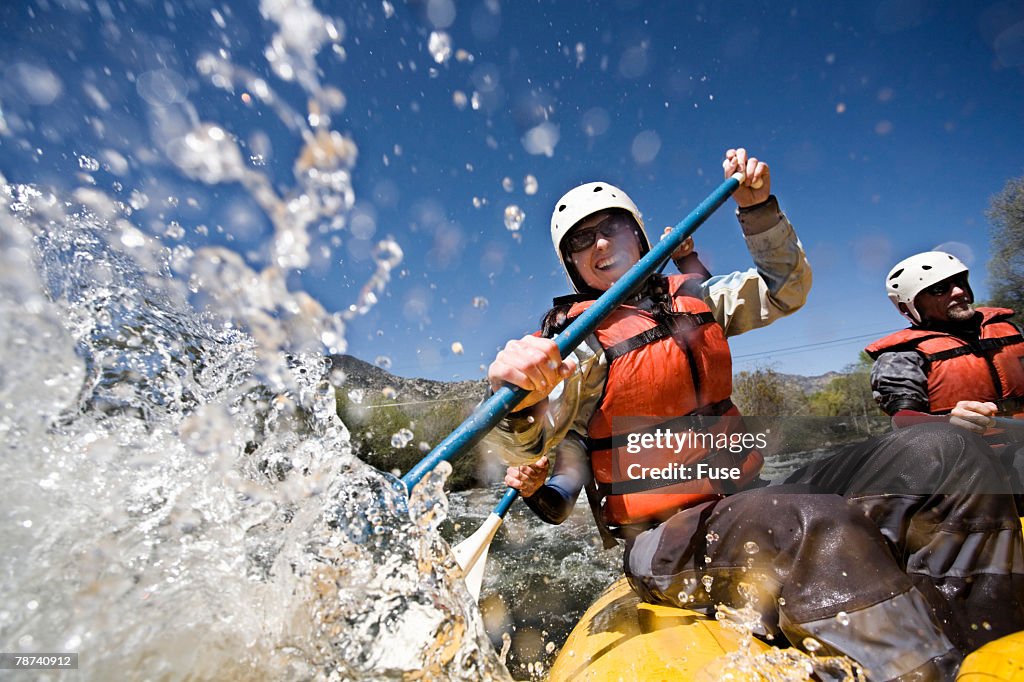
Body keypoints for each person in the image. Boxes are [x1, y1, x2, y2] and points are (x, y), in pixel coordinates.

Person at [484, 149, 993, 679]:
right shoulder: (575, 347)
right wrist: (516, 395)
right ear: (571, 265)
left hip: (747, 499)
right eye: (582, 242)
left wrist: (758, 211)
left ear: (638, 233)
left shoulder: (695, 298)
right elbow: (531, 442)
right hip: (663, 541)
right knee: (807, 522)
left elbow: (785, 289)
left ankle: (982, 644)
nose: (602, 245)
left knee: (945, 451)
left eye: (610, 227)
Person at [865, 251, 1024, 433]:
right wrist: (948, 422)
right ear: (909, 305)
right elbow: (903, 419)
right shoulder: (901, 355)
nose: (959, 291)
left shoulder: (1012, 330)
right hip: (971, 454)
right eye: (939, 288)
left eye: (960, 282)